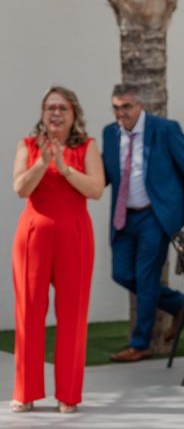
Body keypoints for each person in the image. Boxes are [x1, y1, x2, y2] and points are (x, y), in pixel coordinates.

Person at [11, 86, 105, 413]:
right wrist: (43, 164)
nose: (55, 113)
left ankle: (68, 394)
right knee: (28, 313)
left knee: (72, 315)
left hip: (74, 236)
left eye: (62, 108)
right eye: (50, 107)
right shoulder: (28, 146)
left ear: (73, 113)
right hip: (33, 236)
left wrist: (64, 168)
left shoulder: (87, 147)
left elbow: (96, 189)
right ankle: (25, 392)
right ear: (42, 112)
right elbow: (19, 187)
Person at [103, 84, 184, 362]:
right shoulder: (110, 134)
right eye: (116, 107)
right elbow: (103, 175)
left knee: (146, 276)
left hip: (156, 216)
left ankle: (140, 344)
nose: (121, 113)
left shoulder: (165, 129)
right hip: (124, 217)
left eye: (126, 107)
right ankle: (179, 304)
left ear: (140, 106)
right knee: (122, 274)